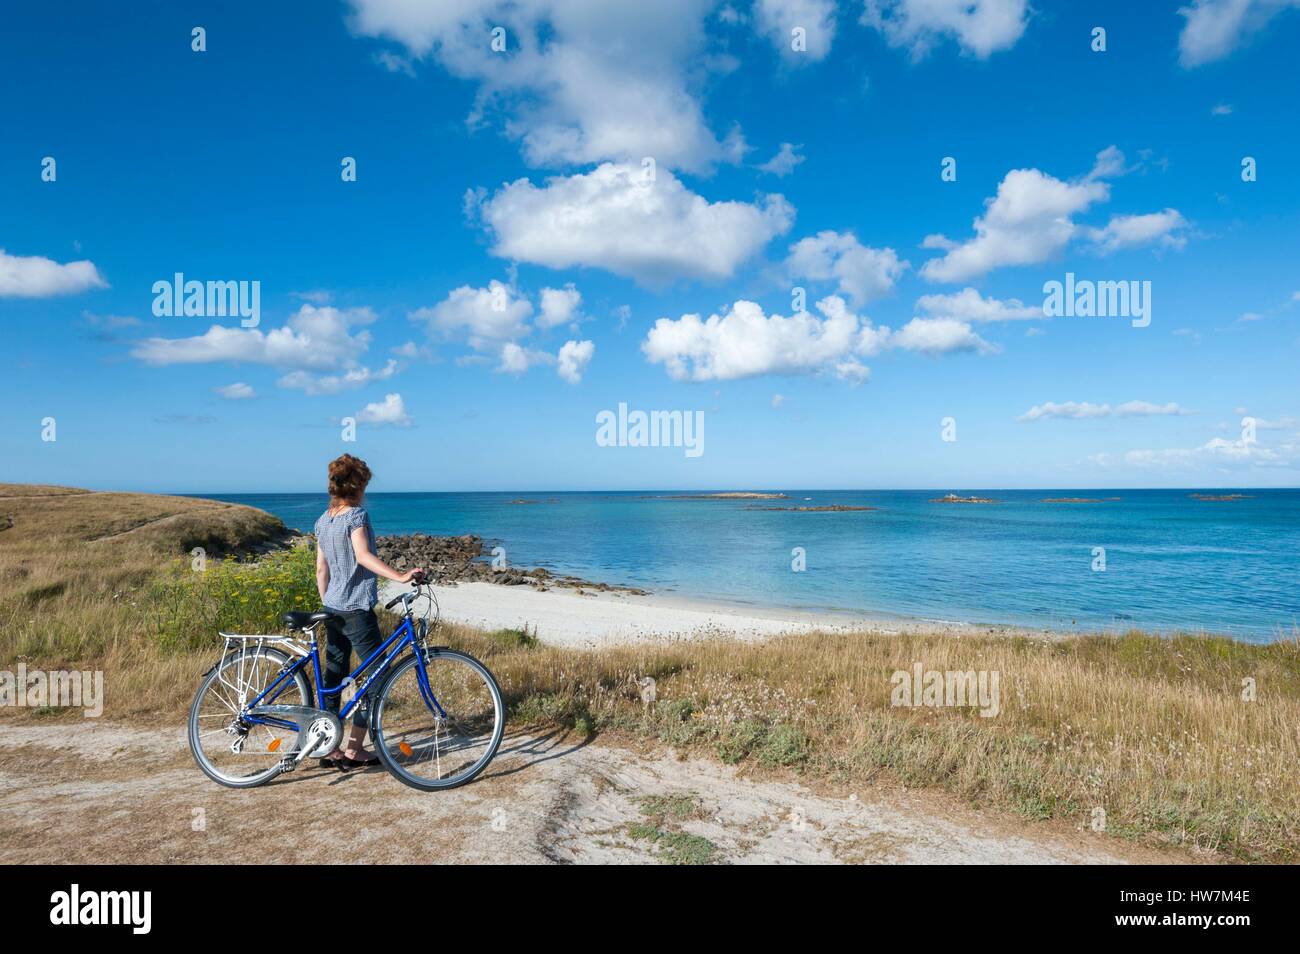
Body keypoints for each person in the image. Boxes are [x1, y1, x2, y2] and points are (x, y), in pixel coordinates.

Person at [313, 453, 422, 770]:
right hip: (357, 611)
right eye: (364, 484)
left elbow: (321, 570)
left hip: (332, 608)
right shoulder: (355, 517)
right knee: (378, 678)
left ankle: (329, 747)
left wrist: (328, 602)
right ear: (357, 485)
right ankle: (354, 749)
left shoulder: (323, 520)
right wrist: (400, 576)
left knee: (334, 679)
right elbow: (362, 556)